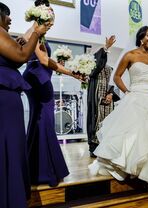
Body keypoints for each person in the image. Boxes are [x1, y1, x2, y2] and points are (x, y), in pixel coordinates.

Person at [88, 26, 148, 190]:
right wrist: (127, 91)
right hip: (136, 97)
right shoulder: (130, 55)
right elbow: (117, 76)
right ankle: (133, 171)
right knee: (135, 135)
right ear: (141, 37)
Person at [22, 0, 83, 187]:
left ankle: (33, 169)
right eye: (50, 19)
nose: (51, 23)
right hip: (39, 82)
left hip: (35, 80)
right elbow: (44, 60)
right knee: (45, 124)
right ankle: (45, 172)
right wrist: (72, 72)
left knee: (38, 123)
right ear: (42, 16)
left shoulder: (32, 34)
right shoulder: (35, 33)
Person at [0, 2, 49, 208]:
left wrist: (21, 42)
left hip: (6, 97)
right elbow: (21, 56)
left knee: (10, 147)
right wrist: (36, 33)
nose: (10, 19)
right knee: (9, 146)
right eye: (6, 15)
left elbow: (16, 57)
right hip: (4, 99)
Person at [87, 36, 118, 157]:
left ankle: (106, 146)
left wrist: (110, 93)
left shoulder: (111, 69)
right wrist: (105, 48)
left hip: (108, 100)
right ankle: (94, 147)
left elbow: (113, 82)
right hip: (96, 98)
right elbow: (99, 63)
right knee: (96, 120)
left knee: (107, 122)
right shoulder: (93, 70)